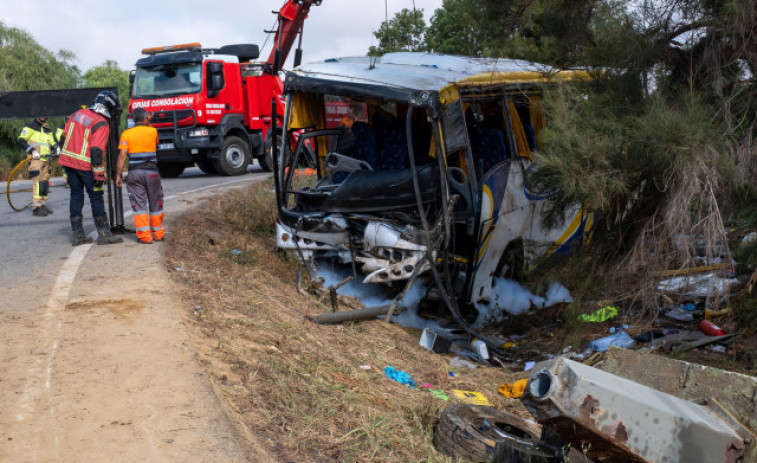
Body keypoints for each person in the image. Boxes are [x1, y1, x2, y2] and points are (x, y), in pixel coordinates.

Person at [58, 90, 123, 246]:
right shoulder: (101, 122)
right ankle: (104, 235)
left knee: (76, 195)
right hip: (86, 166)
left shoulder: (77, 114)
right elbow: (96, 151)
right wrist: (99, 177)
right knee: (96, 197)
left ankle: (78, 236)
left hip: (68, 163)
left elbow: (63, 137)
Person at [115, 107, 165, 244]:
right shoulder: (153, 131)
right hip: (152, 173)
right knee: (156, 202)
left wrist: (118, 175)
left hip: (135, 173)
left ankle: (145, 237)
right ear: (145, 118)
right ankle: (158, 234)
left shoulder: (126, 134)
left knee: (139, 205)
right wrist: (149, 122)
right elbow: (155, 143)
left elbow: (122, 155)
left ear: (132, 119)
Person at [17, 116, 56, 216]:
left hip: (47, 160)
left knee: (45, 182)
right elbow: (21, 140)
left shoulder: (48, 129)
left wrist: (56, 147)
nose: (44, 116)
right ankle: (36, 207)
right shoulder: (30, 126)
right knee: (38, 182)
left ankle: (43, 205)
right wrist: (32, 150)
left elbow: (52, 141)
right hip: (36, 160)